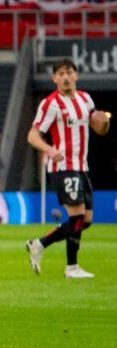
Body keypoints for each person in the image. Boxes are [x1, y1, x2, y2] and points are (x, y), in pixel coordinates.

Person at [26, 58, 110, 278]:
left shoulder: (85, 99)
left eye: (69, 72)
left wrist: (104, 123)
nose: (65, 77)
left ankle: (40, 244)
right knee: (77, 217)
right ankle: (71, 267)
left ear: (76, 76)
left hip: (82, 166)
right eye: (60, 73)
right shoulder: (51, 104)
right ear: (54, 79)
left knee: (86, 221)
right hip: (63, 166)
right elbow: (32, 136)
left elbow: (97, 126)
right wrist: (50, 150)